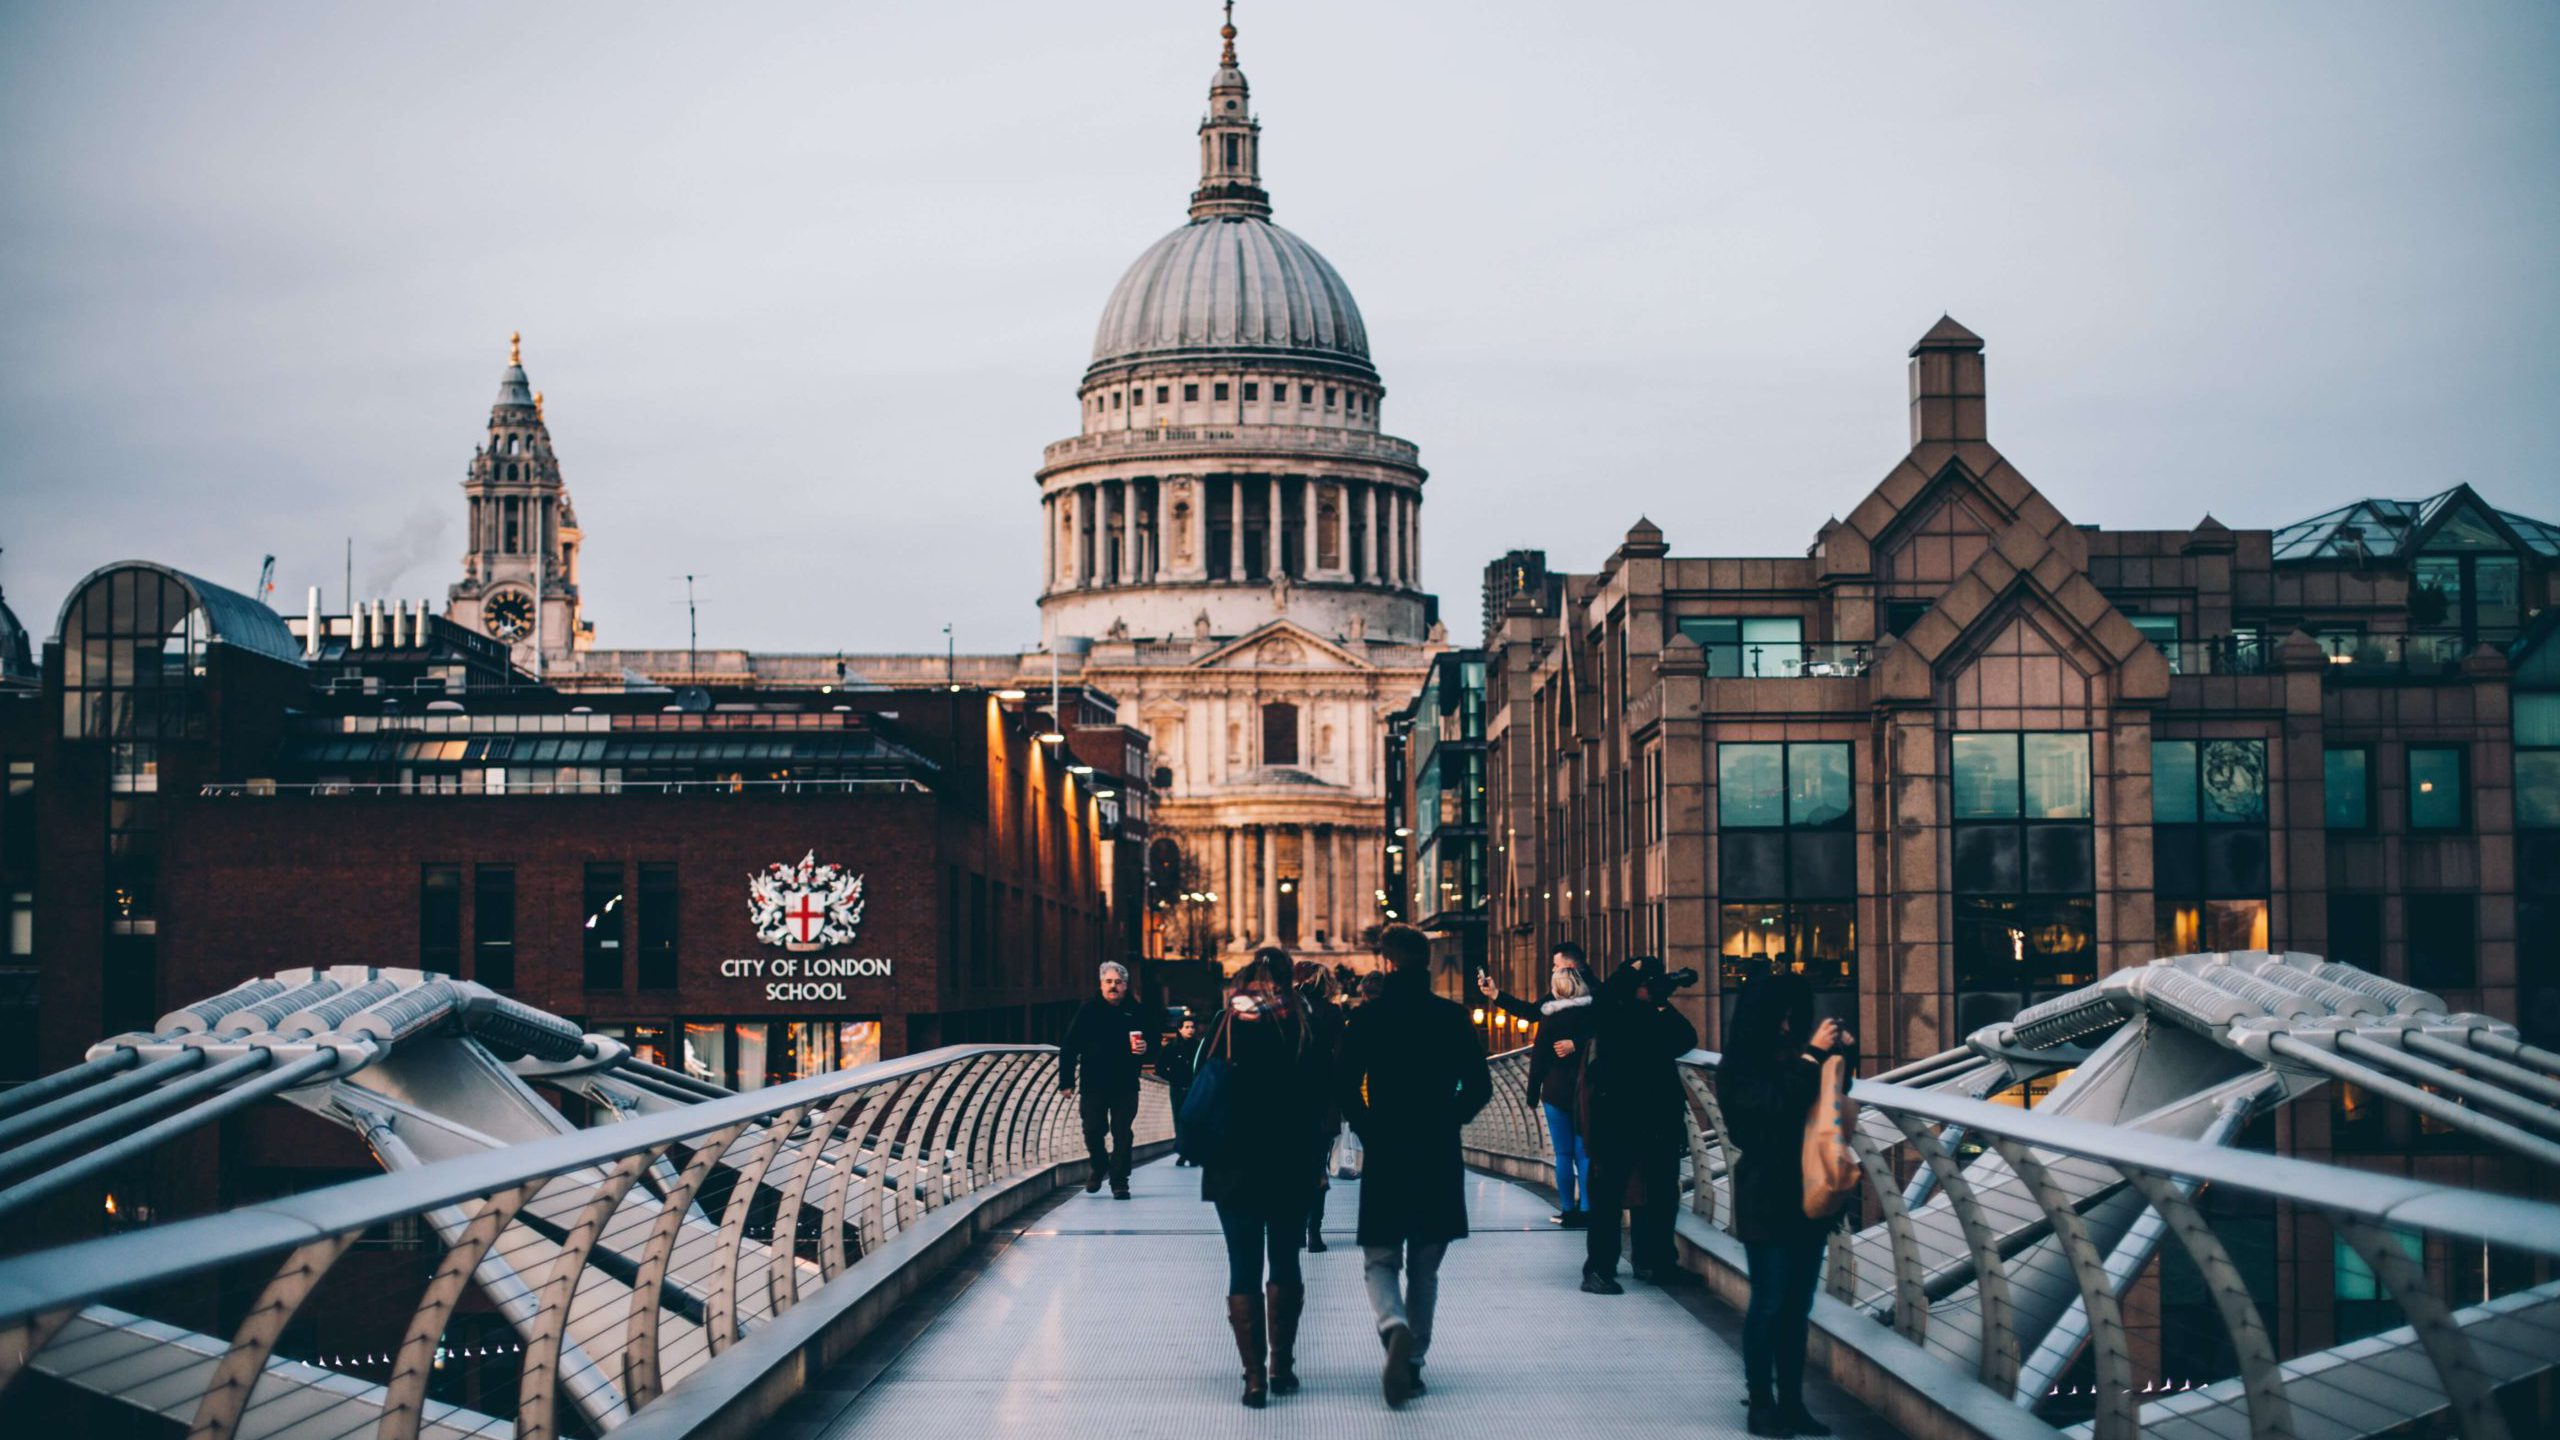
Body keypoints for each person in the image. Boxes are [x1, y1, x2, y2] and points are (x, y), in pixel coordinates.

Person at [1336, 924, 1492, 1408]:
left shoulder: (1368, 1018)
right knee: (1425, 1266)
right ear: (1426, 963)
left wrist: (1369, 1127)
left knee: (1380, 1258)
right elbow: (1480, 1086)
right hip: (1437, 1150)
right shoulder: (1451, 1017)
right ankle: (1415, 1363)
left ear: (1386, 964)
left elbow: (1343, 1084)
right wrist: (1450, 1117)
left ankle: (1393, 1326)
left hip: (1387, 1151)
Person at [1719, 970, 1853, 1438]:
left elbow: (1830, 1106)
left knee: (1798, 1305)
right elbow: (1768, 1111)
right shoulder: (1740, 1062)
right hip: (1767, 1193)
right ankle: (1761, 1403)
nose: (1790, 1023)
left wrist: (1841, 1057)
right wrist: (1813, 1055)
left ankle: (1792, 1403)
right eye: (1784, 1015)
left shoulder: (1800, 1053)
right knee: (1771, 1301)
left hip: (1810, 1193)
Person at [1198, 947, 1329, 1407]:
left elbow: (1202, 1084)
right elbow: (1322, 1096)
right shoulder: (1302, 1024)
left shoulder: (1227, 1023)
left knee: (1243, 1266)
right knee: (1286, 1262)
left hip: (1234, 1164)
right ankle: (1282, 1367)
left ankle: (1253, 1378)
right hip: (1290, 1162)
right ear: (1289, 980)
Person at [1579, 956, 1700, 1295]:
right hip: (1616, 1117)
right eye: (1646, 984)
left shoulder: (1657, 1015)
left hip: (1657, 1118)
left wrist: (1661, 1003)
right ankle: (1599, 1270)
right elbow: (1601, 1004)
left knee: (1661, 1193)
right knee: (1608, 1196)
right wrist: (1628, 974)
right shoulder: (1611, 1010)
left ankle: (1657, 1263)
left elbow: (1686, 1038)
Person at [1475, 942, 1599, 1226]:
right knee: (1584, 1152)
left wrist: (1532, 1095)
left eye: (1555, 965)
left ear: (1566, 969)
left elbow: (1539, 1055)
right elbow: (1606, 1035)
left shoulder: (1551, 1013)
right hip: (1587, 1090)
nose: (1553, 970)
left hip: (1556, 1091)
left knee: (1563, 1153)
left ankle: (1568, 1209)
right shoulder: (1597, 1001)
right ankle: (1589, 1211)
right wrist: (1496, 994)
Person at [1057, 961, 1154, 1199]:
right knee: (1092, 1129)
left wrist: (1146, 1048)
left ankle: (1119, 1181)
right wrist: (1066, 1081)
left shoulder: (1137, 1010)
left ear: (1125, 986)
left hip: (1126, 1083)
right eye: (1109, 982)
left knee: (1122, 1132)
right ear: (1101, 984)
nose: (1114, 987)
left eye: (1118, 983)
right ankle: (1099, 1166)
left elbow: (1153, 1041)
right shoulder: (1088, 1010)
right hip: (1094, 1083)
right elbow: (1069, 1046)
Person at [1293, 958, 1347, 1251]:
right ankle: (1314, 1230)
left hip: (1288, 1105)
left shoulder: (1284, 1011)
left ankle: (1295, 1226)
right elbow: (1341, 1060)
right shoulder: (1332, 1012)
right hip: (1323, 1103)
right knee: (1317, 1168)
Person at [1158, 1014, 1202, 1167]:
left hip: (1194, 1089)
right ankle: (1183, 1153)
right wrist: (1173, 1078)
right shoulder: (1171, 1047)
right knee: (1179, 1121)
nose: (1190, 1030)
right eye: (1187, 1027)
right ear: (1180, 1029)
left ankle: (1191, 1154)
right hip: (1177, 1088)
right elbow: (1160, 1068)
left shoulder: (1199, 1047)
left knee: (1193, 1121)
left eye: (1192, 1027)